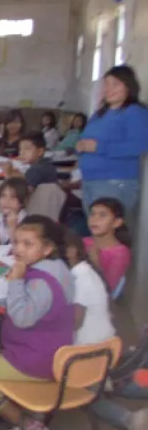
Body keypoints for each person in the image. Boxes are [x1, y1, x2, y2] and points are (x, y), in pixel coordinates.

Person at [0, 215, 75, 430]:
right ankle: (27, 408)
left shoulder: (40, 281)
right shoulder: (59, 267)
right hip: (52, 351)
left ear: (47, 248)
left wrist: (15, 283)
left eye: (27, 244)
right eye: (16, 242)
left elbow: (22, 318)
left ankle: (29, 425)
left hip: (35, 359)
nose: (18, 249)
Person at [76, 65, 148, 218]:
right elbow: (87, 141)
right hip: (90, 181)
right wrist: (81, 147)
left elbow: (138, 147)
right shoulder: (100, 114)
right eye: (106, 84)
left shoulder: (135, 112)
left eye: (115, 84)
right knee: (97, 232)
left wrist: (98, 147)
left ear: (129, 86)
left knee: (109, 233)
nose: (109, 89)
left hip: (114, 183)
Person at [64, 230, 115, 346]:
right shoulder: (84, 271)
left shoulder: (81, 278)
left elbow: (76, 321)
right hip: (98, 344)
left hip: (90, 348)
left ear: (71, 251)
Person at [84, 197, 131, 295]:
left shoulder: (120, 253)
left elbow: (108, 290)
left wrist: (96, 262)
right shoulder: (83, 242)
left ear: (117, 222)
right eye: (92, 214)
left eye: (102, 215)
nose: (94, 219)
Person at [0, 178, 28, 245]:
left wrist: (13, 228)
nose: (6, 201)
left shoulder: (26, 222)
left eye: (13, 197)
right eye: (3, 196)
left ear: (22, 202)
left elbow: (21, 248)